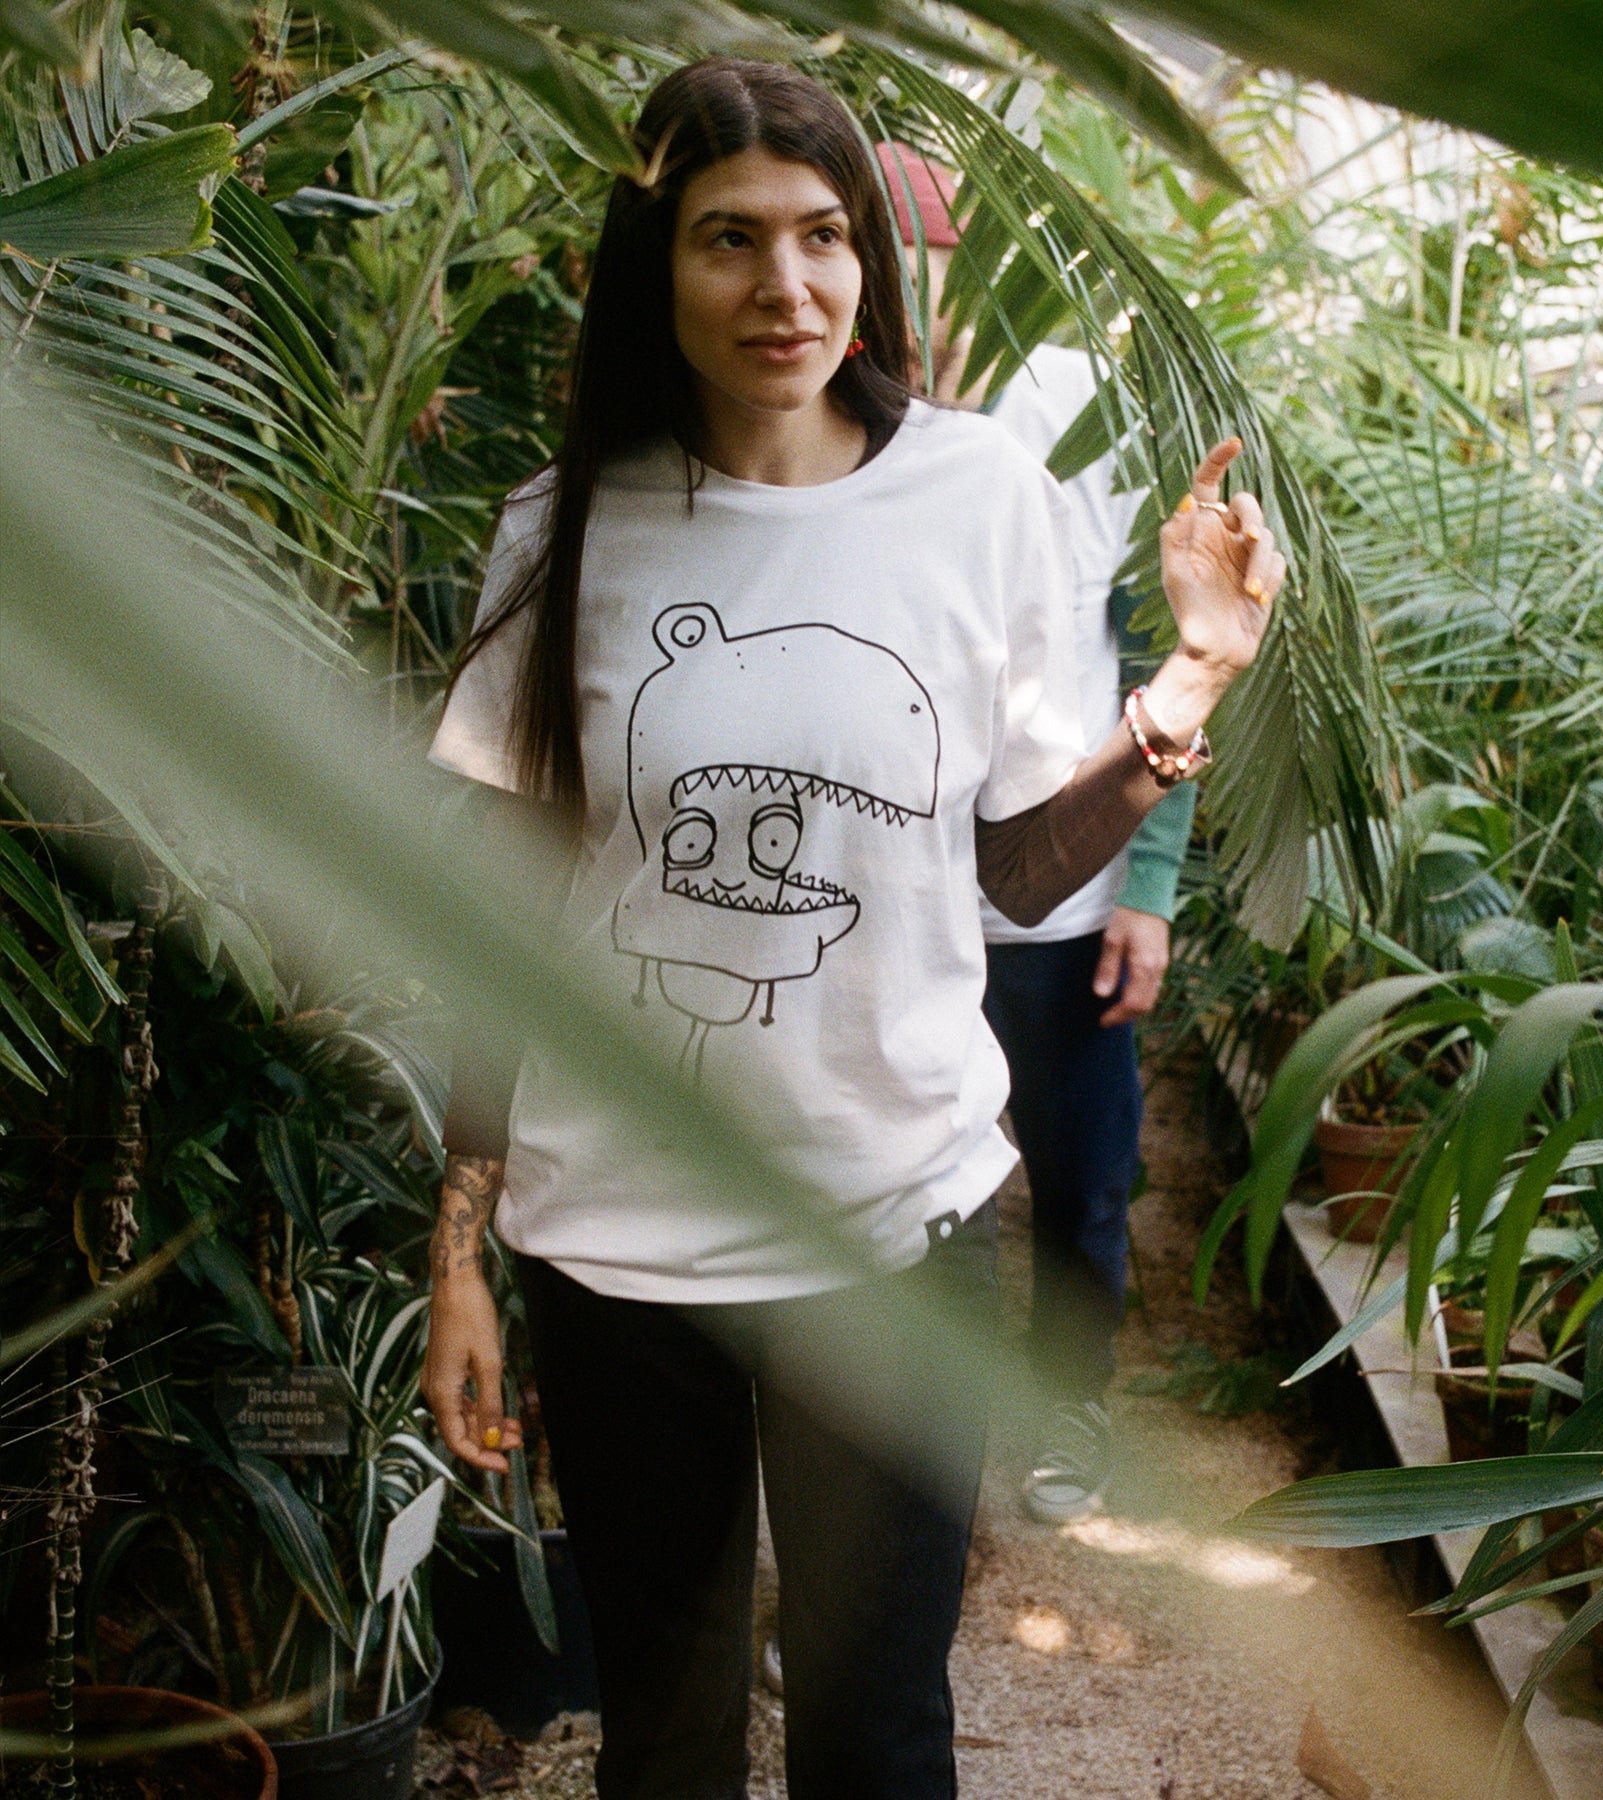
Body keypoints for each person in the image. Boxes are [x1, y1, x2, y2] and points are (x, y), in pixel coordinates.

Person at [421, 59, 1282, 1800]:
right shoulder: (564, 527)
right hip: (620, 1251)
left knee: (877, 1739)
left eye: (823, 236)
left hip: (893, 1224)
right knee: (663, 1746)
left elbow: (1017, 876)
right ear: (659, 265)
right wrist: (459, 1248)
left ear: (869, 262)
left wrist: (1189, 681)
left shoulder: (978, 498)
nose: (787, 286)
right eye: (729, 238)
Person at [880, 143, 1193, 1523]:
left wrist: (1153, 884)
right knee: (903, 1185)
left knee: (1081, 1176)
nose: (919, 304)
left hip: (1066, 887)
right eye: (893, 271)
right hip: (889, 896)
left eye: (943, 272)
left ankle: (1071, 1404)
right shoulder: (822, 408)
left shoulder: (1075, 407)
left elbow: (1178, 637)